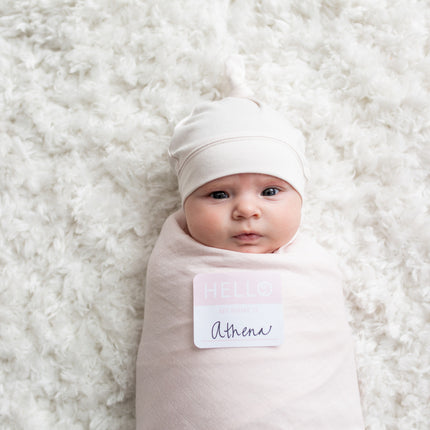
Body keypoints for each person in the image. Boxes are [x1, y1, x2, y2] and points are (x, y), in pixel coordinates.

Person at [135, 61, 364, 429]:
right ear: (186, 203)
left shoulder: (313, 270)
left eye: (270, 191)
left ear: (300, 198)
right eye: (219, 193)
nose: (246, 209)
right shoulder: (175, 267)